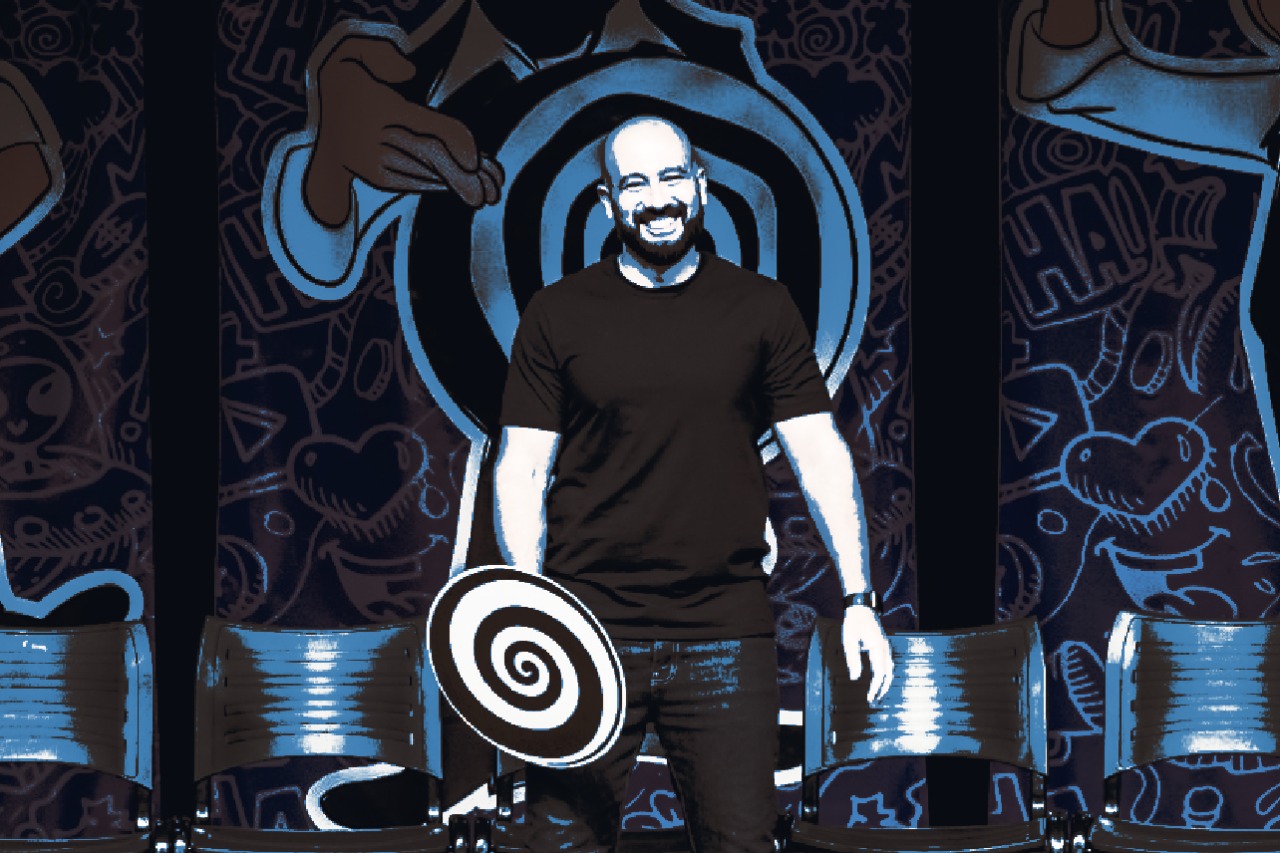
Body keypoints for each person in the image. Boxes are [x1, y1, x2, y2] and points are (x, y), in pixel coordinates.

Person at [492, 115, 892, 853]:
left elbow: (818, 452)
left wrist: (859, 599)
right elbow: (523, 467)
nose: (657, 198)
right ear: (607, 202)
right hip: (588, 630)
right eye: (635, 184)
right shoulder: (557, 314)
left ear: (702, 187)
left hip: (723, 631)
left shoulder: (761, 307)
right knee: (558, 845)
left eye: (673, 177)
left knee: (742, 843)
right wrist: (532, 606)